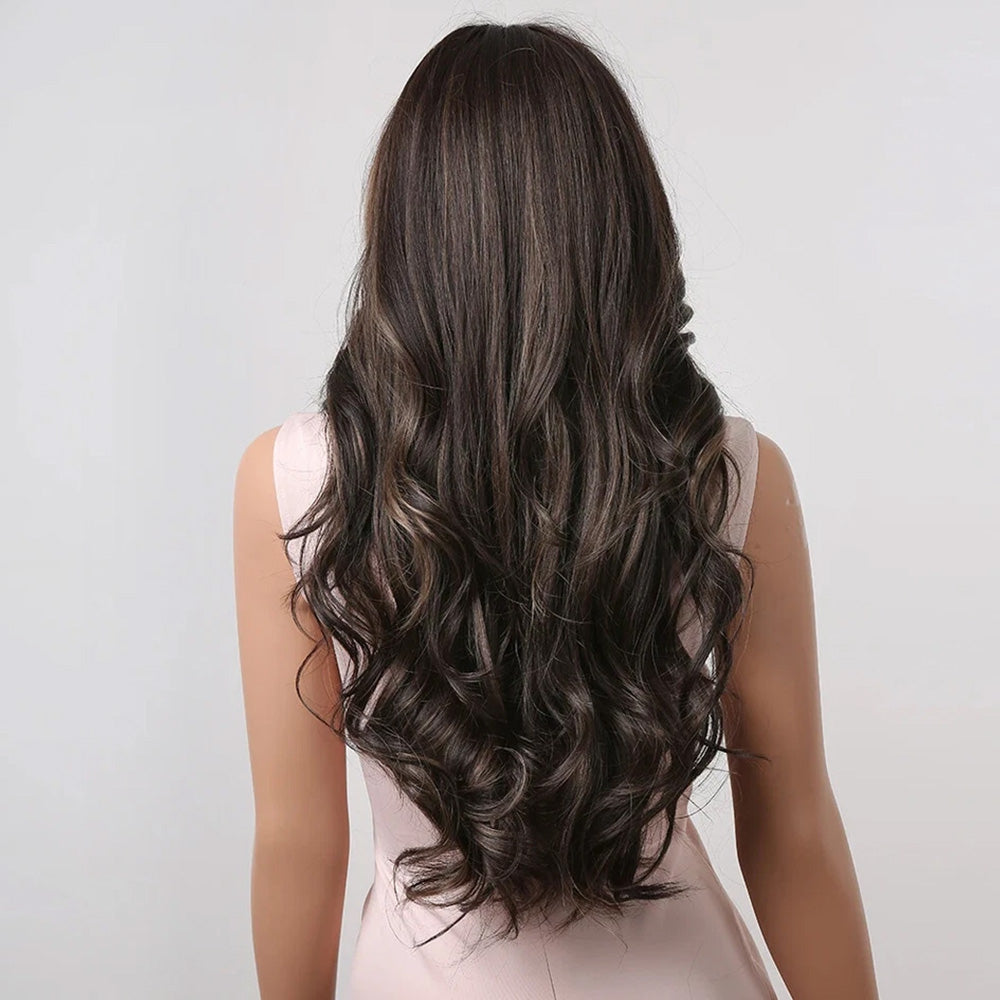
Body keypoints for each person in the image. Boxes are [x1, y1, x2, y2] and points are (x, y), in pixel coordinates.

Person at [233, 19, 880, 1000]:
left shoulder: (293, 481)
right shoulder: (724, 472)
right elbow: (793, 833)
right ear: (623, 223)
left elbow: (296, 841)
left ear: (409, 230)